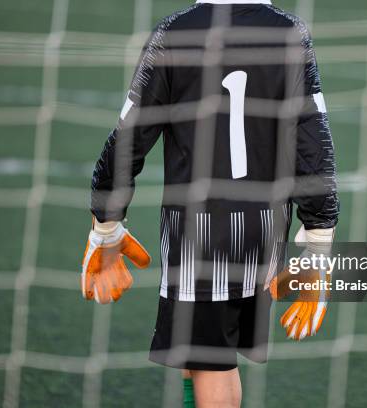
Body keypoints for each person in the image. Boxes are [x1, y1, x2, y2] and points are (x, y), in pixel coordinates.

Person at [81, 1, 339, 406]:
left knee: (209, 362)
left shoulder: (175, 32)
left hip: (200, 234)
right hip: (265, 230)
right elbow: (312, 142)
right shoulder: (290, 32)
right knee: (209, 359)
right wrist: (319, 240)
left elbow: (130, 137)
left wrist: (106, 224)